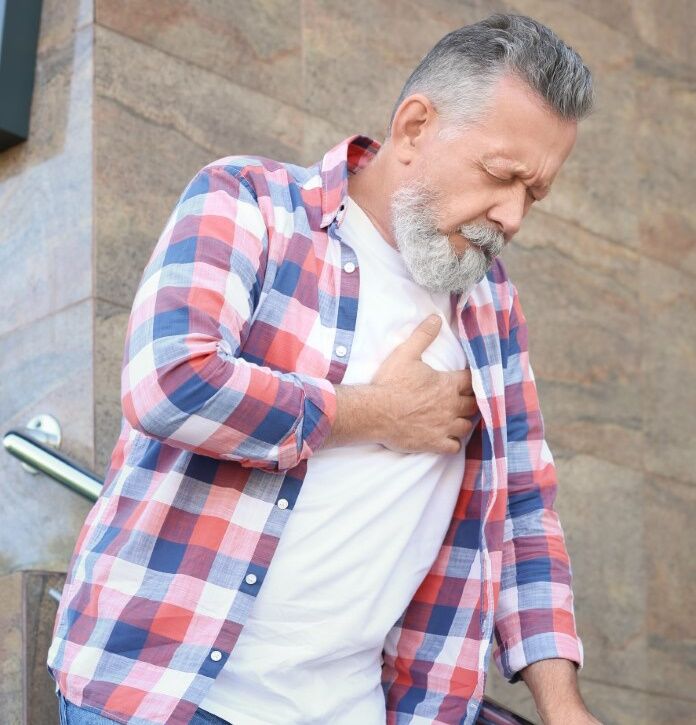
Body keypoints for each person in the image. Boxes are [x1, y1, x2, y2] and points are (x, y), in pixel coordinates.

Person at [47, 13, 602, 725]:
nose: (515, 215)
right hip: (161, 694)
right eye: (502, 175)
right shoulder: (251, 201)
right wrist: (375, 411)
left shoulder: (493, 305)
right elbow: (171, 382)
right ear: (415, 128)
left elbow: (523, 507)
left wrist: (563, 706)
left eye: (536, 193)